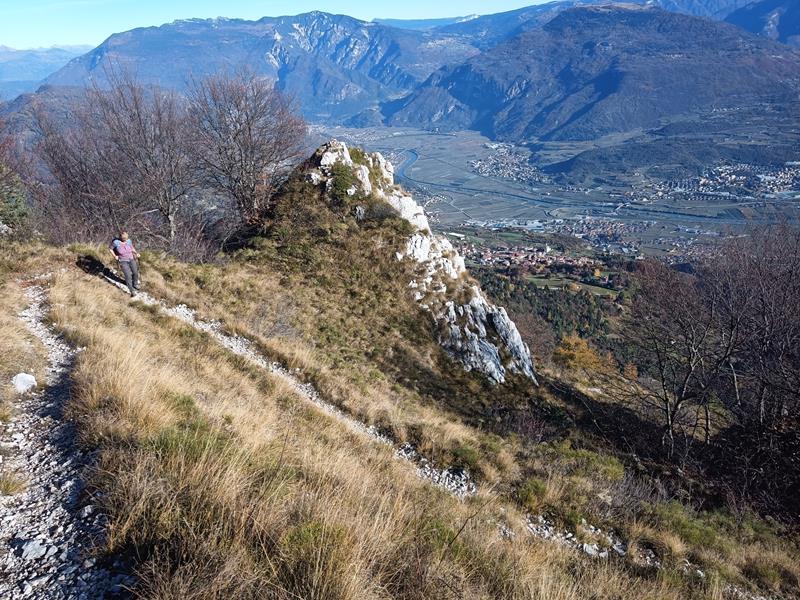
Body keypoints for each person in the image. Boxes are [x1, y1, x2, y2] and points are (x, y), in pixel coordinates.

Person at [109, 231, 141, 297]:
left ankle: (135, 284)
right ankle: (132, 290)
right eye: (124, 239)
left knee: (135, 272)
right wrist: (115, 256)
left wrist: (136, 253)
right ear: (120, 238)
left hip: (131, 259)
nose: (125, 240)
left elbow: (131, 248)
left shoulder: (129, 241)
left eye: (126, 238)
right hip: (123, 261)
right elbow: (110, 249)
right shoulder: (116, 243)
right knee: (128, 275)